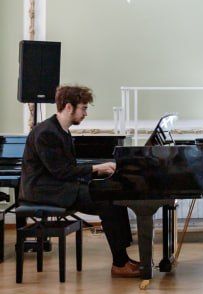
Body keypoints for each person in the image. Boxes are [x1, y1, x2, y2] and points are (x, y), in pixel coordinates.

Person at [19, 85, 139, 278]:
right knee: (106, 201)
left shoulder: (60, 130)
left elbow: (68, 168)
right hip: (44, 190)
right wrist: (96, 168)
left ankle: (123, 258)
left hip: (57, 185)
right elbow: (62, 172)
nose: (85, 113)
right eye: (83, 108)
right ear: (68, 107)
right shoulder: (47, 133)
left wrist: (100, 168)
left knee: (113, 196)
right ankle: (119, 263)